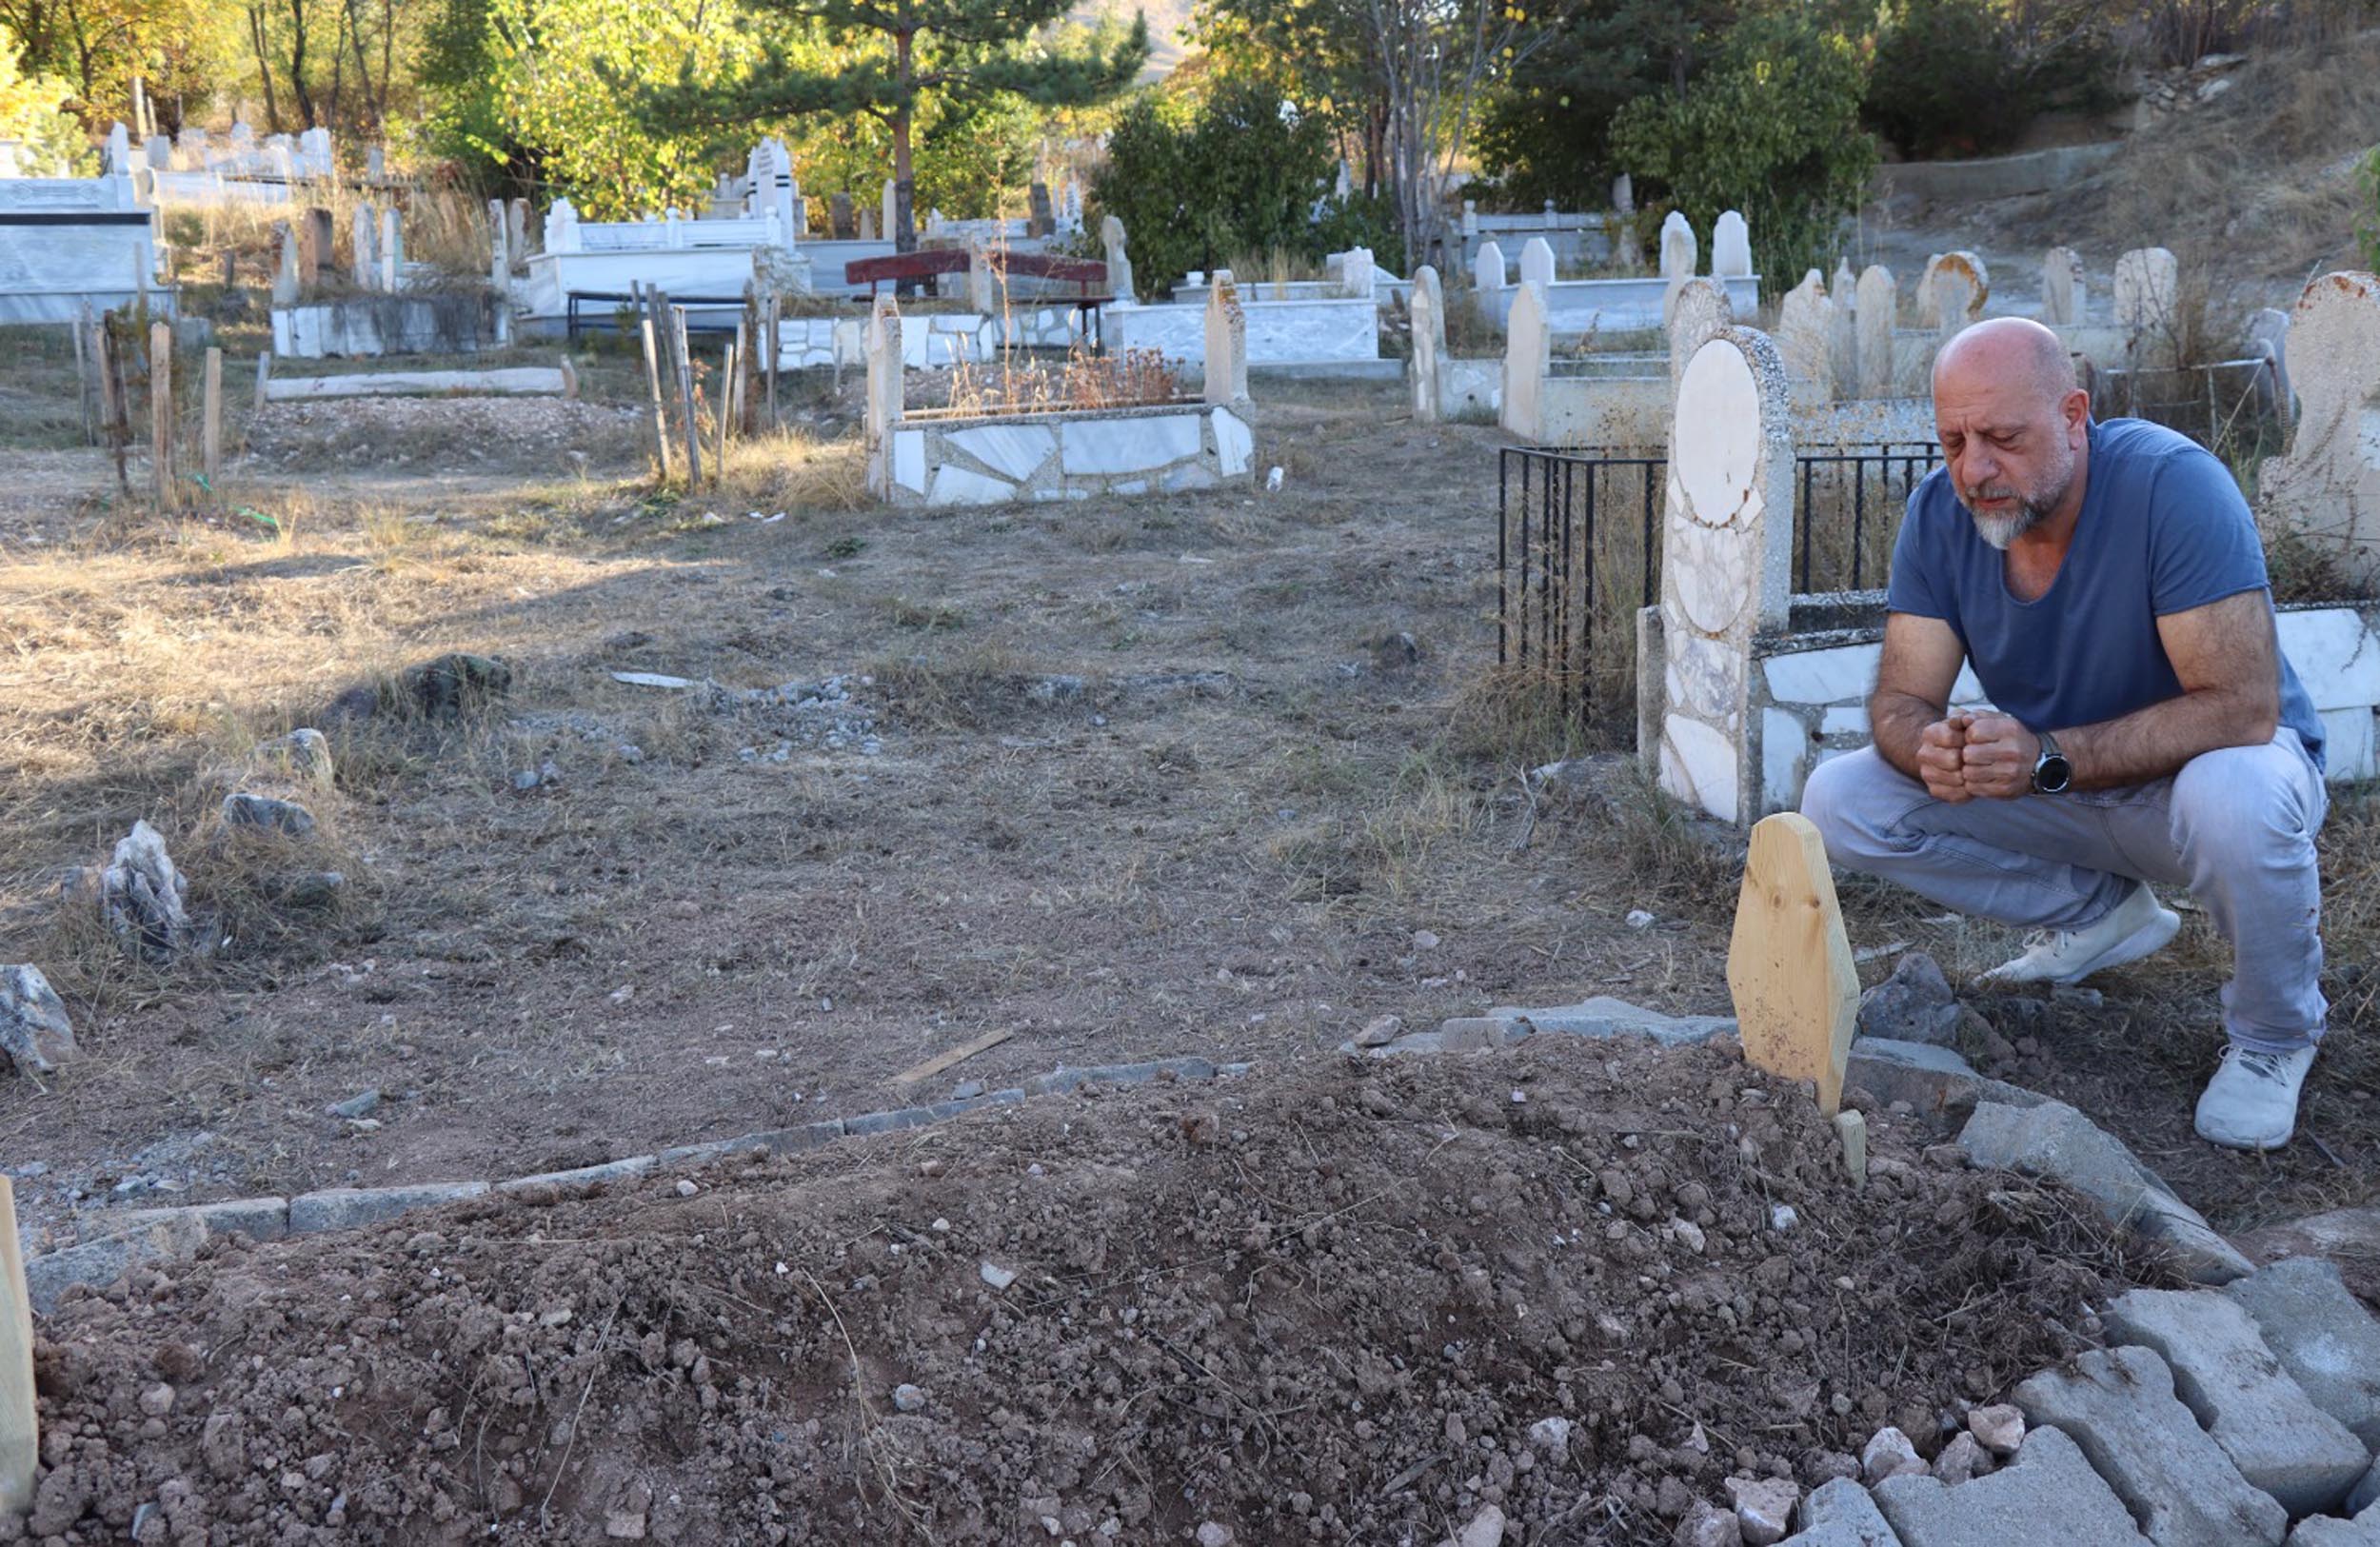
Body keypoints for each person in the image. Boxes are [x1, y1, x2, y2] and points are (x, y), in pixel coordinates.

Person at [1800, 317, 2330, 1151]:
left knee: (2237, 792)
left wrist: (2048, 757)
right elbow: (1903, 697)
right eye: (1954, 440)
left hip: (2193, 785)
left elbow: (2242, 707)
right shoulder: (1941, 514)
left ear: (2075, 414)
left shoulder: (2173, 485)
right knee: (1842, 797)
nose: (1975, 468)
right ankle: (2101, 914)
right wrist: (1927, 745)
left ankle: (2273, 1036)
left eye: (2003, 437)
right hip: (2063, 788)